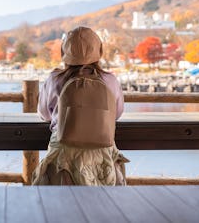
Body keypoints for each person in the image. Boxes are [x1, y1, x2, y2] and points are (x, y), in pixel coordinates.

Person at [32, 26, 128, 186]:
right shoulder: (110, 80)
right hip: (102, 154)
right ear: (99, 51)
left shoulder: (55, 79)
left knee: (60, 207)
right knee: (104, 207)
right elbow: (116, 113)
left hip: (63, 156)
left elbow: (44, 114)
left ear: (64, 52)